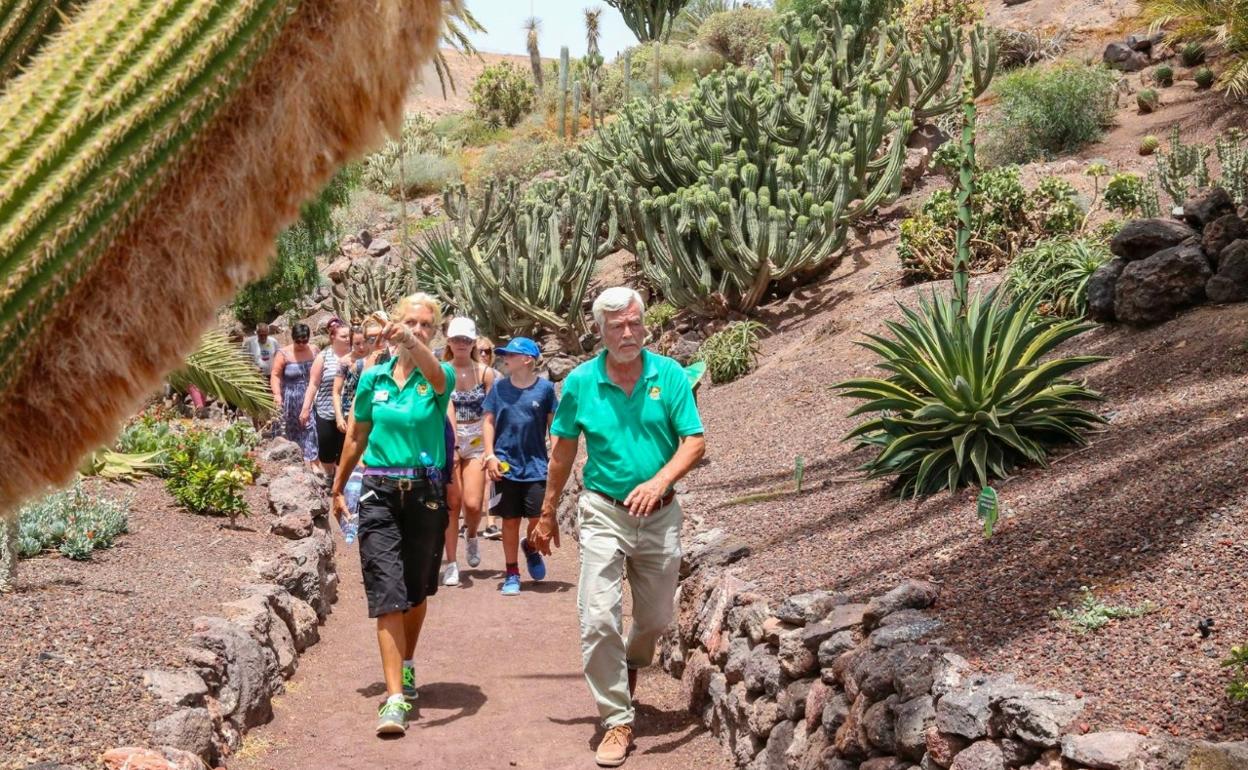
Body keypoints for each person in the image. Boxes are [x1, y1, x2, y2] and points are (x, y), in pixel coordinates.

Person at [531, 287, 706, 768]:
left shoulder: (667, 374)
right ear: (600, 332)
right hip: (603, 511)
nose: (627, 333)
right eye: (616, 326)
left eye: (634, 323)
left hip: (660, 515)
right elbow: (564, 451)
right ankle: (616, 719)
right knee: (597, 615)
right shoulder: (582, 383)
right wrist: (547, 511)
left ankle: (630, 660)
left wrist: (661, 480)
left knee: (653, 620)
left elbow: (694, 441)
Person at [330, 293, 455, 737]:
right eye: (410, 322)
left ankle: (406, 663)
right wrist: (338, 485)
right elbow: (357, 435)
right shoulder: (374, 378)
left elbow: (437, 375)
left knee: (416, 592)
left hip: (425, 495)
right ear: (392, 326)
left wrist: (412, 344)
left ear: (434, 333)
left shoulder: (440, 378)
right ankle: (395, 699)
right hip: (379, 493)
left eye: (425, 325)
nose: (417, 330)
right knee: (387, 593)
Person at [482, 337, 558, 596]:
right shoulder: (499, 389)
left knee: (536, 518)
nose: (505, 358)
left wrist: (557, 456)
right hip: (505, 465)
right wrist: (490, 454)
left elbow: (553, 426)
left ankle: (531, 548)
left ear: (527, 359)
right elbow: (489, 421)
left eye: (511, 355)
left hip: (536, 465)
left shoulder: (545, 389)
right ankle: (511, 572)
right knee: (510, 520)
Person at [439, 317, 497, 587]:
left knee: (473, 503)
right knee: (452, 504)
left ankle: (471, 534)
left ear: (473, 342)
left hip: (475, 440)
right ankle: (451, 563)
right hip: (448, 439)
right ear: (448, 342)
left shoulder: (485, 373)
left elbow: (492, 412)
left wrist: (491, 449)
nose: (461, 344)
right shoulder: (440, 371)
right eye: (456, 339)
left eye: (466, 339)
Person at [302, 318, 351, 481]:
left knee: (345, 449)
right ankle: (329, 474)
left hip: (350, 412)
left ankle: (341, 480)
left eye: (349, 335)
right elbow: (314, 384)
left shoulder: (357, 354)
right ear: (332, 337)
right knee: (326, 451)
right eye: (343, 336)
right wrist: (306, 408)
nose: (348, 338)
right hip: (326, 410)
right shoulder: (324, 356)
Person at [270, 323, 318, 468]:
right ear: (293, 339)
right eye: (298, 341)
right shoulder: (283, 353)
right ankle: (296, 461)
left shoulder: (315, 350)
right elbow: (275, 375)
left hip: (311, 395)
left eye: (305, 340)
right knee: (292, 429)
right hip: (290, 397)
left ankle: (312, 461)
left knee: (312, 428)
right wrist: (277, 394)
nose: (302, 344)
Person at [476, 335, 505, 540]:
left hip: (489, 430)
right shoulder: (462, 374)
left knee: (490, 477)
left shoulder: (498, 376)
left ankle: (491, 522)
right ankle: (470, 520)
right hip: (466, 434)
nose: (484, 354)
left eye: (487, 351)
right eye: (480, 351)